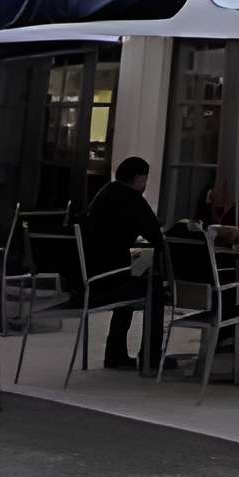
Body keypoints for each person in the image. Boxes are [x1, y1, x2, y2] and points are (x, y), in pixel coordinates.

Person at [83, 156, 166, 371]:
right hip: (112, 278)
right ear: (138, 178)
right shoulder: (131, 198)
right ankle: (151, 356)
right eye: (145, 178)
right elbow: (155, 235)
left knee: (141, 269)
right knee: (153, 284)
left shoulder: (104, 194)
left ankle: (115, 352)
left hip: (94, 274)